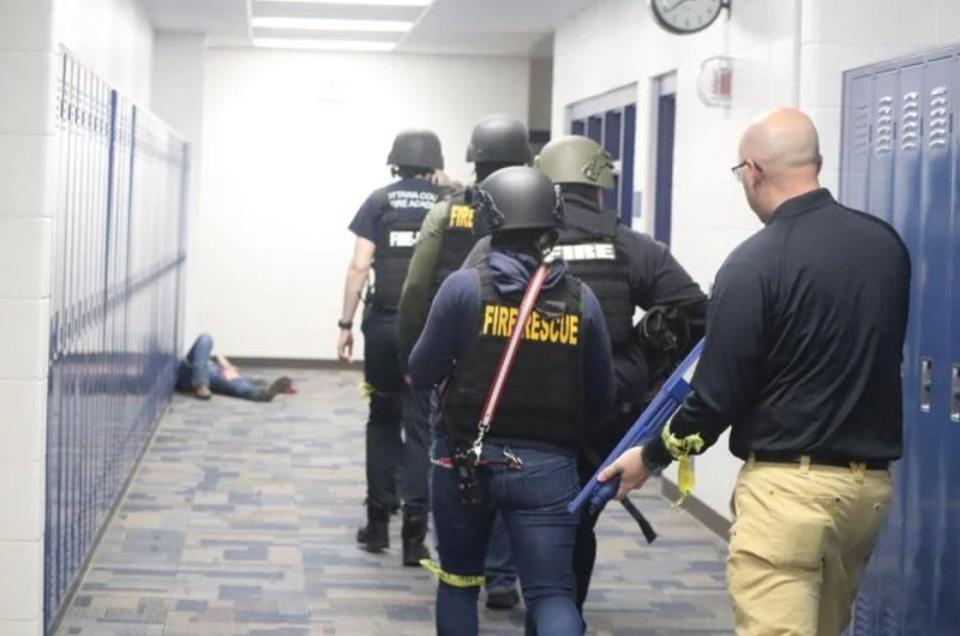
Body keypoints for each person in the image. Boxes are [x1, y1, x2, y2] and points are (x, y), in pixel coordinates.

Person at [599, 107, 911, 636]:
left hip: (787, 495)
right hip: (866, 493)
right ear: (817, 162)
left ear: (752, 170)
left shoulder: (754, 263)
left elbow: (716, 399)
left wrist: (649, 457)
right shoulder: (885, 246)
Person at [409, 166, 615, 636]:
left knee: (459, 582)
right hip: (548, 468)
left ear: (488, 219)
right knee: (552, 595)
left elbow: (422, 373)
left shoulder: (463, 288)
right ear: (552, 221)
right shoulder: (582, 299)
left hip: (464, 462)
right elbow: (601, 397)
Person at [529, 134, 708, 612]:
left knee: (525, 520)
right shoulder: (632, 247)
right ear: (600, 189)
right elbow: (696, 316)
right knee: (577, 523)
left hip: (528, 413)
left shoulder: (525, 244)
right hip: (603, 411)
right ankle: (564, 610)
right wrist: (646, 363)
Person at [398, 113, 533, 609]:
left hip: (460, 356)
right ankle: (501, 579)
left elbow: (416, 286)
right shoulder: (541, 217)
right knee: (510, 457)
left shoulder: (448, 210)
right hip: (526, 355)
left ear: (474, 159)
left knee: (455, 457)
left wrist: (415, 352)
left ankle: (461, 568)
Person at [337, 129, 446, 565]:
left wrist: (345, 323)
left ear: (394, 163)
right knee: (422, 425)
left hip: (383, 324)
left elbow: (358, 267)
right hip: (428, 328)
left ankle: (378, 524)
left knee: (382, 419)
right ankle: (414, 538)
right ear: (433, 164)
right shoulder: (447, 205)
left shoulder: (379, 201)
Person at [176, 333, 292, 402]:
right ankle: (201, 383)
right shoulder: (204, 359)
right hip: (194, 368)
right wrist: (225, 365)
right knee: (206, 338)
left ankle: (260, 394)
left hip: (208, 374)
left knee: (235, 382)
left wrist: (228, 367)